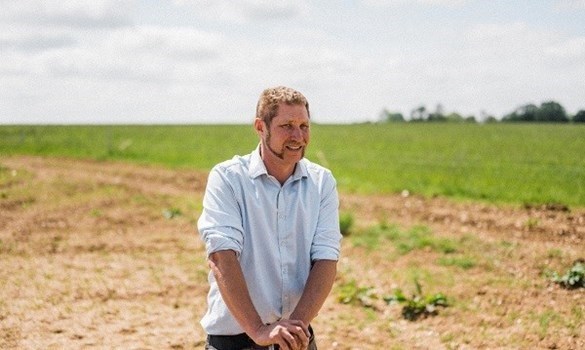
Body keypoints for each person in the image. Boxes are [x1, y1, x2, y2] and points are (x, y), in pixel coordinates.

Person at [197, 86, 342, 350]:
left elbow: (326, 258)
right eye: (287, 126)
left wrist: (295, 327)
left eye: (304, 126)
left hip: (296, 341)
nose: (298, 136)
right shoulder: (228, 179)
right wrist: (259, 331)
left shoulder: (321, 182)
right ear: (260, 127)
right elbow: (221, 256)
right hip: (235, 342)